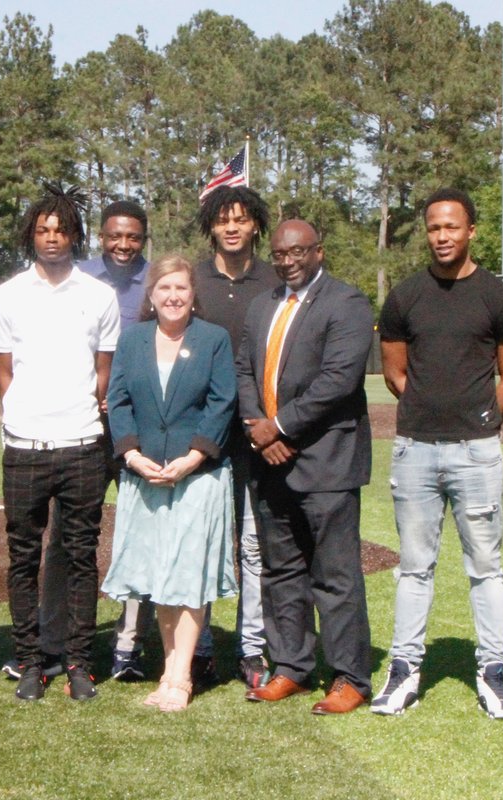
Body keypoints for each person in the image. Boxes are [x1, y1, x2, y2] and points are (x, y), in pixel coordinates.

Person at [372, 189, 503, 719]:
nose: (442, 236)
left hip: (477, 453)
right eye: (434, 228)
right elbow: (396, 372)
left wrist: (482, 422)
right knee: (414, 567)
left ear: (471, 231)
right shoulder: (405, 296)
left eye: (452, 227)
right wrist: (428, 410)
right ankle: (404, 671)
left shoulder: (498, 297)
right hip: (415, 449)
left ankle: (493, 672)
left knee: (486, 567)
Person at [0, 183, 119, 702]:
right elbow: (3, 371)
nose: (51, 238)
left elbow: (102, 372)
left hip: (84, 445)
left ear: (74, 234)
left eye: (61, 229)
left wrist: (74, 412)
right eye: (42, 229)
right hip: (23, 447)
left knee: (81, 556)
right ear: (30, 235)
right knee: (22, 558)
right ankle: (29, 660)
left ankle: (79, 662)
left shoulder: (99, 295)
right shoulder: (6, 296)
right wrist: (26, 413)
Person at [237, 219, 374, 715]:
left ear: (319, 251)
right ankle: (290, 666)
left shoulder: (347, 303)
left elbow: (338, 380)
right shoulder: (263, 305)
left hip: (327, 463)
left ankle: (349, 676)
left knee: (335, 576)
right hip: (270, 462)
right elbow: (244, 370)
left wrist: (280, 427)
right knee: (280, 572)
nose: (288, 260)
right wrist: (258, 427)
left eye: (298, 251)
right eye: (279, 253)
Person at [15, 200, 154, 683]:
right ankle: (52, 645)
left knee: (141, 532)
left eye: (133, 237)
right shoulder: (76, 275)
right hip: (84, 428)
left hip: (139, 422)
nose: (123, 245)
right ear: (97, 236)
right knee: (65, 541)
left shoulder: (157, 282)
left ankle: (131, 644)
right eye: (115, 236)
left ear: (144, 238)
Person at [101, 255, 237, 711]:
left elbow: (222, 403)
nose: (173, 296)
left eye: (181, 288)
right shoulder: (133, 339)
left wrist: (192, 457)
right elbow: (117, 400)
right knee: (160, 573)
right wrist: (133, 455)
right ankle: (168, 670)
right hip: (144, 476)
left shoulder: (214, 339)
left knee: (187, 573)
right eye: (164, 289)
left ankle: (180, 678)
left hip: (197, 475)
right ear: (151, 296)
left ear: (192, 294)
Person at [191, 185, 277, 690]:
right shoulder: (194, 279)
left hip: (256, 433)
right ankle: (199, 649)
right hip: (202, 432)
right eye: (223, 219)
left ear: (255, 226)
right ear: (211, 225)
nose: (232, 227)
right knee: (203, 543)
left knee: (252, 546)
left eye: (241, 219)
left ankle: (251, 647)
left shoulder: (271, 279)